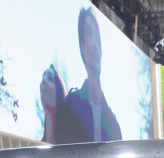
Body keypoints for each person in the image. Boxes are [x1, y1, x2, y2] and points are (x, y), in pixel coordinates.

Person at [40, 7, 121, 144]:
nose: (95, 44)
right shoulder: (71, 105)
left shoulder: (113, 124)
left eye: (97, 37)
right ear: (82, 46)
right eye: (90, 34)